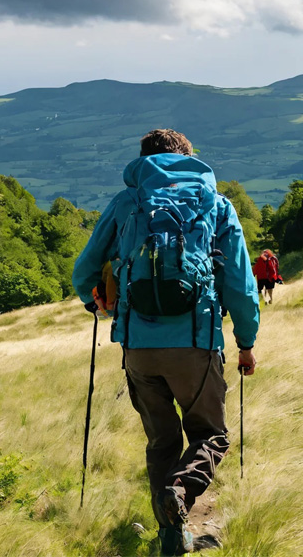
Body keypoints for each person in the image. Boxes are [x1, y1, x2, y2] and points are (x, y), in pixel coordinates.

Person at [72, 129, 259, 555]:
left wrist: (94, 302)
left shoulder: (126, 203)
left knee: (161, 442)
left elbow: (83, 271)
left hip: (138, 346)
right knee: (211, 436)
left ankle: (172, 536)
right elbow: (241, 286)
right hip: (195, 344)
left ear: (144, 160)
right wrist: (246, 343)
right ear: (190, 157)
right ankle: (179, 491)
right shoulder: (217, 205)